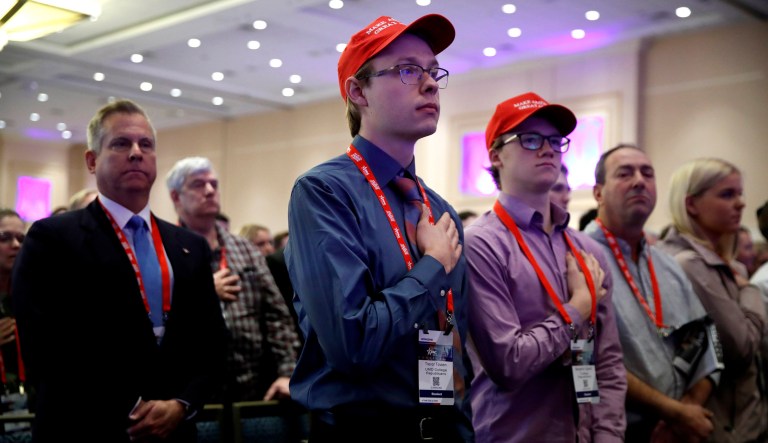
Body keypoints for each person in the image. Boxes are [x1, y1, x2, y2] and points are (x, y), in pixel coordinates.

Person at [286, 14, 472, 441]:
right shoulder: (323, 192)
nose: (429, 83)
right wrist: (431, 266)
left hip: (444, 427)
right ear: (357, 92)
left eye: (433, 72)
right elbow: (353, 344)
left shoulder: (439, 210)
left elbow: (455, 341)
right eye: (408, 70)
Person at [11, 99, 228, 442]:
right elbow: (45, 348)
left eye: (146, 144)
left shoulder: (188, 246)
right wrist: (132, 408)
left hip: (174, 430)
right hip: (85, 428)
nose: (136, 153)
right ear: (92, 161)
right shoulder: (52, 238)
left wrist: (181, 404)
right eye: (121, 143)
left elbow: (212, 343)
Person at [464, 91, 625, 442]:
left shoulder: (587, 249)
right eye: (531, 139)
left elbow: (608, 361)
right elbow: (509, 363)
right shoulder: (482, 243)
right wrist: (577, 310)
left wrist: (609, 435)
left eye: (555, 140)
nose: (549, 149)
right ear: (496, 156)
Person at [585, 145, 721, 442]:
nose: (639, 181)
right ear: (598, 193)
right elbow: (588, 359)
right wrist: (675, 412)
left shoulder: (668, 264)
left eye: (647, 173)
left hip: (681, 429)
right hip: (616, 431)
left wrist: (686, 412)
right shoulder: (580, 259)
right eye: (625, 173)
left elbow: (708, 339)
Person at [166, 156, 299, 402]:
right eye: (198, 184)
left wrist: (287, 372)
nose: (209, 191)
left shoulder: (245, 249)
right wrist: (205, 294)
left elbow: (277, 316)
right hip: (188, 395)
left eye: (214, 184)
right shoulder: (164, 248)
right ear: (175, 196)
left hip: (253, 387)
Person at [659, 158, 768, 442]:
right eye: (727, 194)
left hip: (741, 420)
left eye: (740, 193)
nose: (741, 203)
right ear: (692, 204)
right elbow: (741, 348)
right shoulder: (690, 264)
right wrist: (749, 291)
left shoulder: (722, 263)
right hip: (719, 427)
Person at [0, 209, 25, 405]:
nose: (16, 245)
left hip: (26, 405)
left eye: (21, 238)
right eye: (5, 238)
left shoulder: (30, 292)